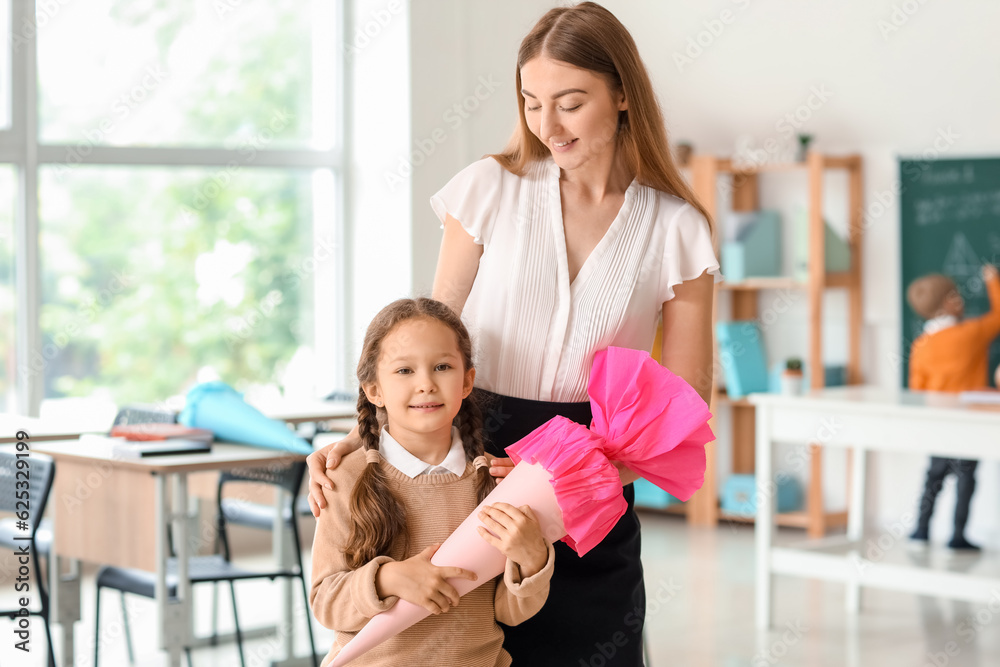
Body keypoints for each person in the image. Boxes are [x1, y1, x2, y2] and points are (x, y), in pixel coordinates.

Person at [309, 3, 720, 664]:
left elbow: (686, 400)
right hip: (473, 466)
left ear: (621, 94)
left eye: (570, 102)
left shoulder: (677, 228)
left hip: (592, 483)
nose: (547, 124)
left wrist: (574, 478)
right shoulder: (489, 189)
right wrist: (362, 435)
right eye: (532, 102)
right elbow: (425, 346)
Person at [310, 298, 555, 667]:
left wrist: (532, 558)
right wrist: (388, 578)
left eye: (442, 367)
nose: (426, 384)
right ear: (373, 389)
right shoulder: (343, 477)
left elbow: (509, 612)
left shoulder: (499, 480)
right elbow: (326, 603)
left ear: (467, 380)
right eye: (405, 371)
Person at [907, 264, 1000, 550]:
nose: (960, 298)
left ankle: (921, 530)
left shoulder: (921, 344)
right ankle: (957, 535)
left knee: (934, 474)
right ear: (947, 302)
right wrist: (993, 280)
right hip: (967, 420)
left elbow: (916, 388)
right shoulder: (969, 334)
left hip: (937, 421)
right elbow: (998, 317)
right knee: (965, 477)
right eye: (954, 294)